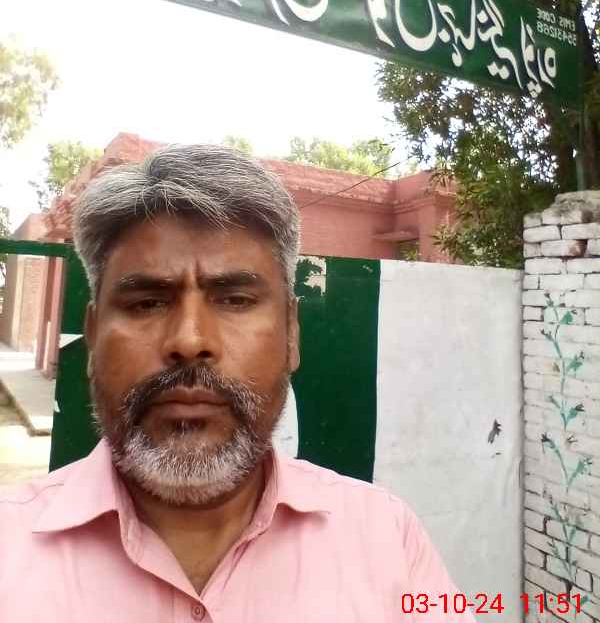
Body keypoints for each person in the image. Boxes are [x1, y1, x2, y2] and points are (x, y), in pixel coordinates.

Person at [0, 144, 474, 621]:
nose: (190, 340)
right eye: (146, 303)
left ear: (291, 334)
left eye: (235, 300)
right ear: (93, 335)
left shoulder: (390, 543)